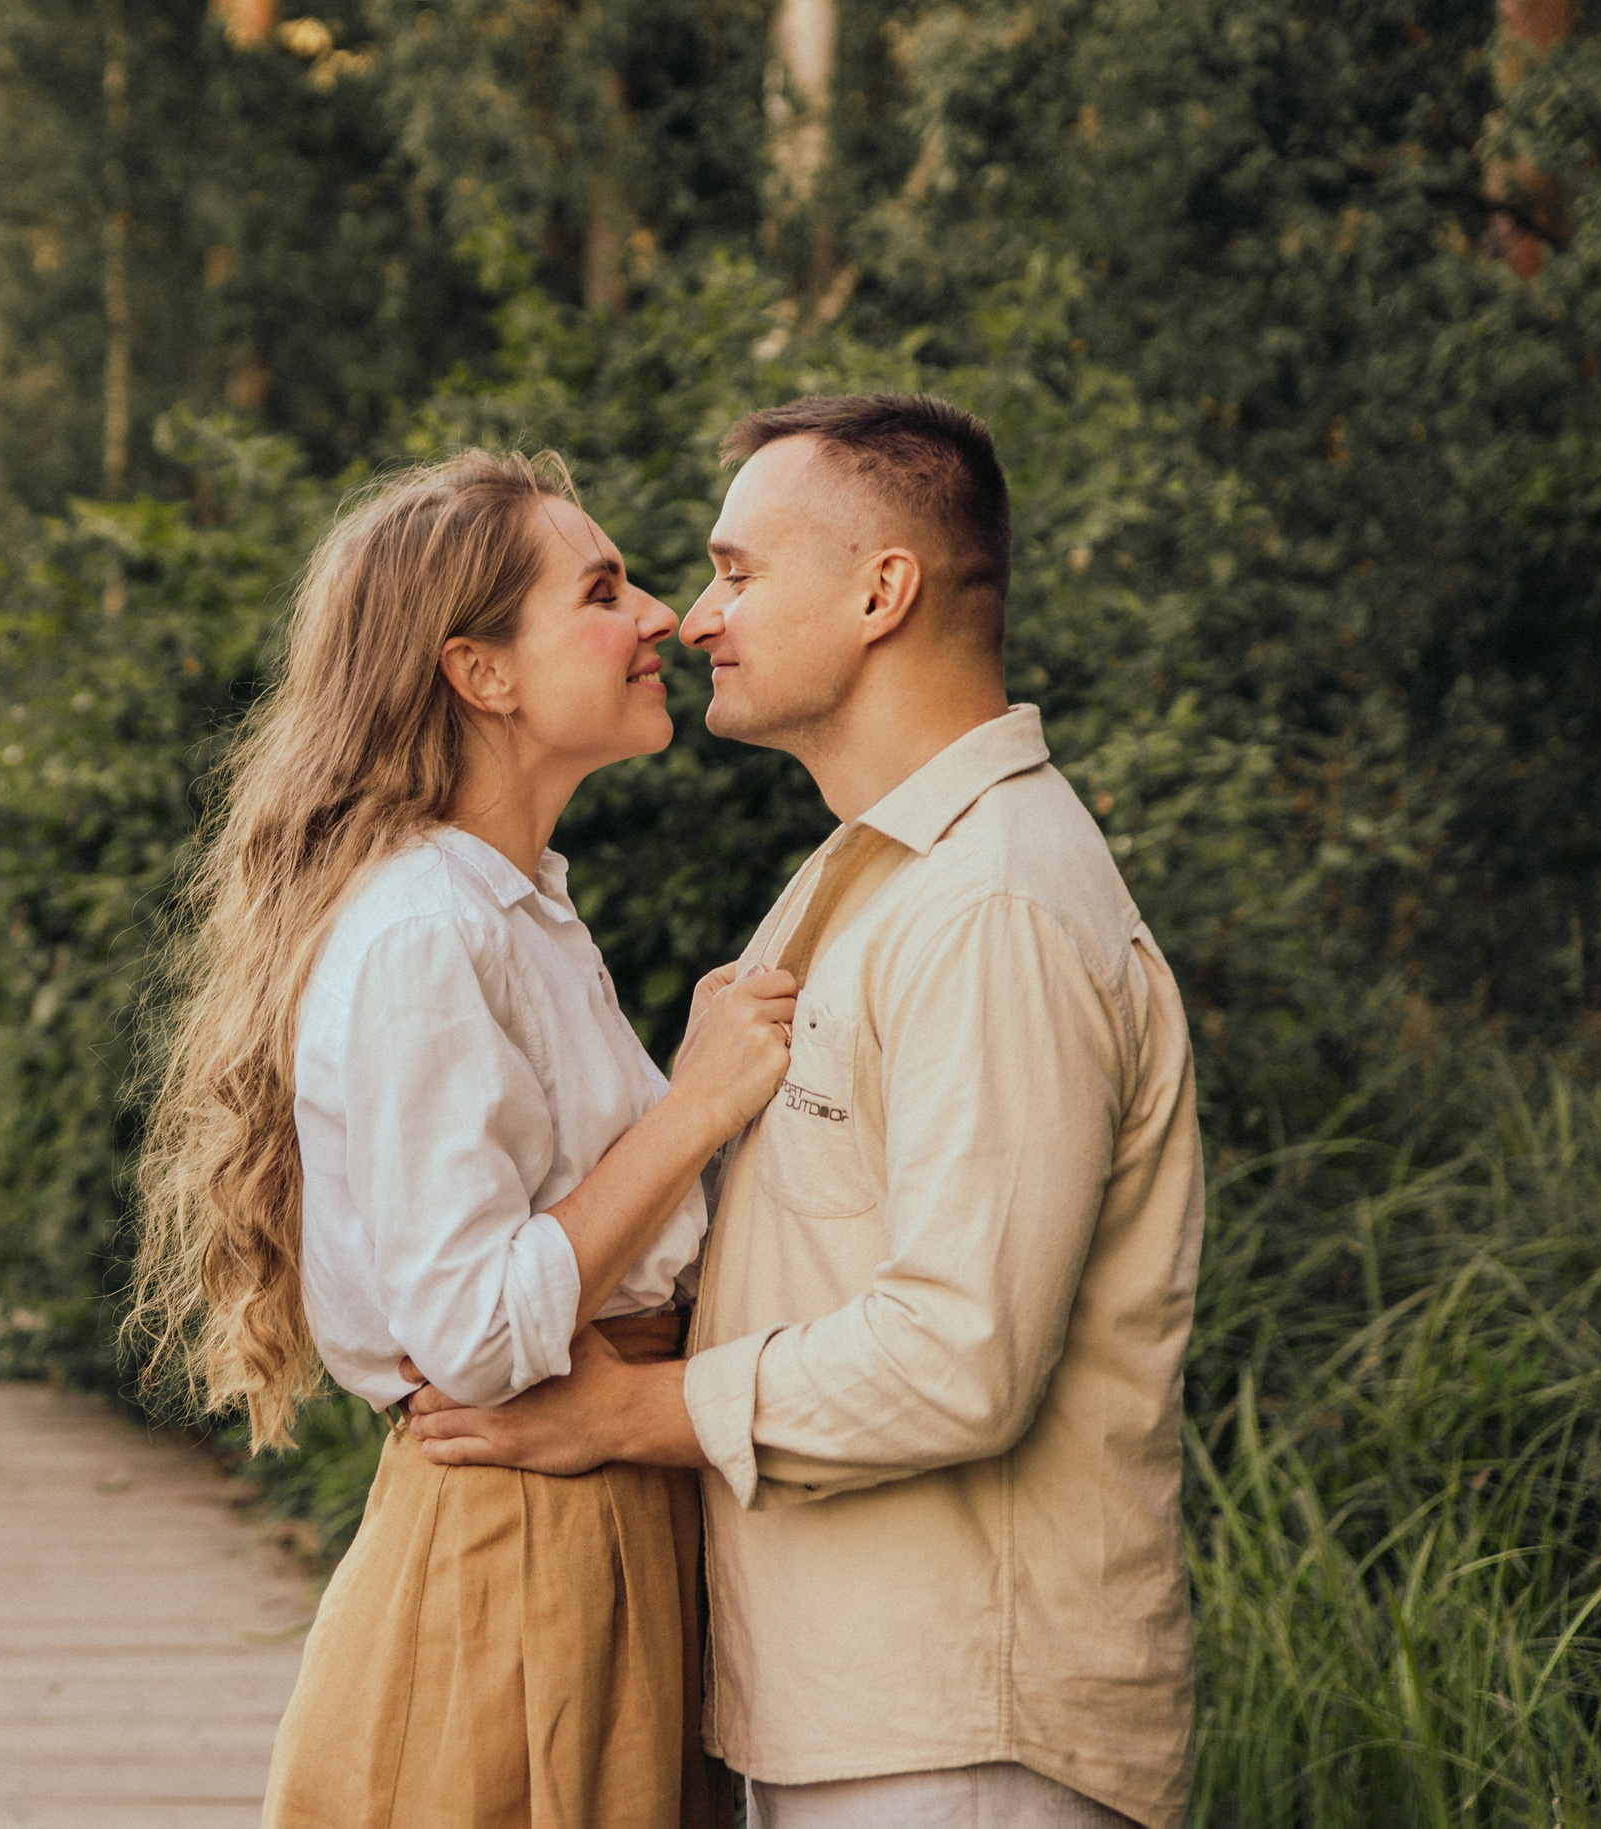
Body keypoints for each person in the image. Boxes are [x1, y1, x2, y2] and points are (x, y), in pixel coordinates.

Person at [410, 395, 1206, 1828]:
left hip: (962, 1733)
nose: (694, 615)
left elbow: (961, 1354)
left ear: (881, 591)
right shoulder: (866, 878)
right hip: (852, 1711)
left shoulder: (991, 908)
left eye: (737, 571)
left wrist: (627, 1412)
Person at [130, 449, 804, 1829]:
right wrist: (694, 1108)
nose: (664, 616)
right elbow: (476, 1337)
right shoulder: (429, 931)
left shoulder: (507, 908)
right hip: (521, 1556)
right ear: (480, 673)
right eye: (605, 591)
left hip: (593, 1522)